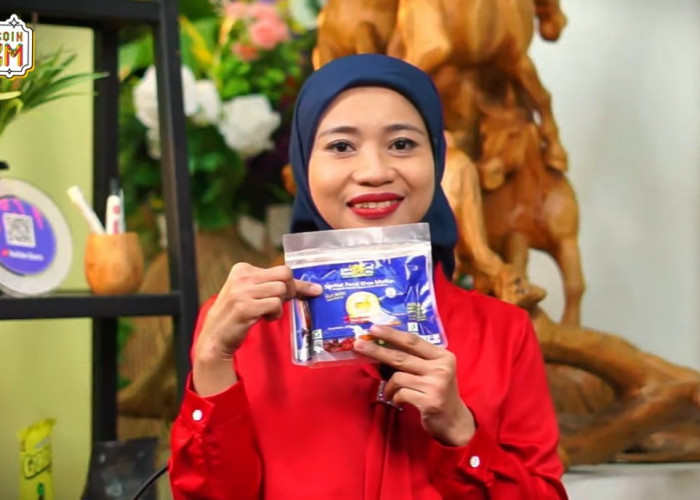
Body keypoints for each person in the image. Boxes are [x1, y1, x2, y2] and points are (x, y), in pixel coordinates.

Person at [169, 54, 568, 499]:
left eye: (402, 143)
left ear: (437, 157)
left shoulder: (502, 331)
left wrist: (461, 432)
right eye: (341, 146)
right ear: (302, 164)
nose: (375, 172)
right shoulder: (245, 329)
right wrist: (211, 363)